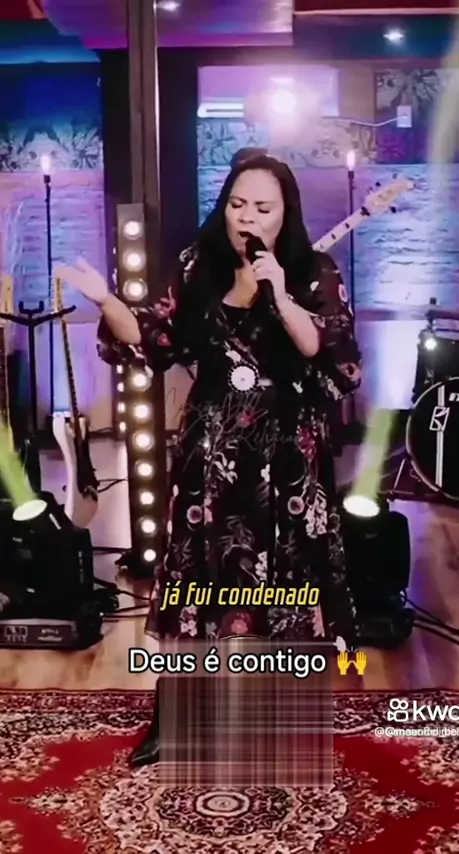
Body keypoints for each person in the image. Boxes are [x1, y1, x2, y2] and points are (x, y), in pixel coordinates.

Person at [54, 153, 362, 767]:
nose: (246, 217)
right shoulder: (199, 265)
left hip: (285, 457)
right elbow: (154, 338)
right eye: (236, 204)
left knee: (286, 584)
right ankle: (175, 716)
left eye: (262, 208)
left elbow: (327, 352)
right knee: (196, 578)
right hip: (212, 452)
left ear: (286, 214)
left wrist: (278, 292)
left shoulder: (314, 271)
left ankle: (279, 717)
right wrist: (107, 300)